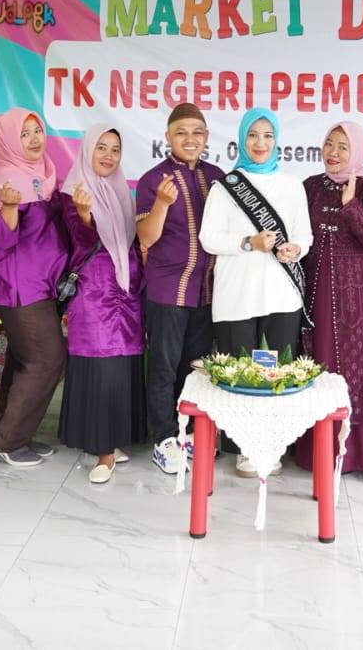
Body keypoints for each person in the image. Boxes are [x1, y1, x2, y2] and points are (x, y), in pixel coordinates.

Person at [199, 108, 314, 478]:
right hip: (238, 295)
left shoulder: (292, 186)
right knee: (239, 372)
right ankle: (242, 447)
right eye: (253, 135)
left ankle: (272, 443)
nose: (260, 143)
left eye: (267, 135)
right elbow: (208, 238)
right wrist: (249, 242)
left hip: (281, 295)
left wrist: (295, 248)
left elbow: (305, 234)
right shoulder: (226, 187)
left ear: (277, 140)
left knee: (275, 370)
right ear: (242, 140)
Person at [294, 121, 363, 475]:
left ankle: (360, 455)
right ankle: (315, 453)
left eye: (342, 146)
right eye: (329, 144)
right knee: (318, 363)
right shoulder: (309, 186)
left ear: (358, 151)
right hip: (316, 291)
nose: (333, 153)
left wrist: (351, 205)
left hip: (360, 298)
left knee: (360, 368)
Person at [136, 103, 224, 475]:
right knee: (164, 369)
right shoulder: (153, 179)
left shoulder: (217, 177)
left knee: (196, 370)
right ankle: (164, 439)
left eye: (197, 132)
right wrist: (161, 203)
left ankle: (188, 435)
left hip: (207, 293)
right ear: (168, 137)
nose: (190, 139)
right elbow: (145, 237)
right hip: (167, 291)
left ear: (206, 138)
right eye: (181, 132)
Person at [0, 108, 70, 468]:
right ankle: (6, 438)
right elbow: (0, 240)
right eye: (24, 133)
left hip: (42, 284)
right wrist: (8, 208)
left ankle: (15, 431)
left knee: (24, 358)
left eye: (37, 131)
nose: (34, 139)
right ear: (8, 140)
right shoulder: (5, 178)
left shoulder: (44, 172)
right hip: (18, 286)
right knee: (48, 358)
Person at [58, 124, 147, 484]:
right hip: (94, 291)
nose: (109, 156)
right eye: (101, 147)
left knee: (123, 364)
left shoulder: (123, 192)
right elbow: (79, 242)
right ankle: (102, 450)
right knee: (99, 364)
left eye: (115, 149)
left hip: (127, 290)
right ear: (87, 151)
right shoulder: (73, 192)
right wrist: (83, 214)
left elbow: (132, 242)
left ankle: (116, 438)